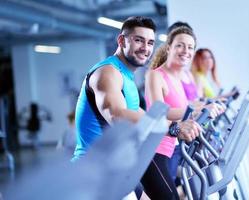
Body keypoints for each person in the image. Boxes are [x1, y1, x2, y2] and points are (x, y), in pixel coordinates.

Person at [73, 16, 202, 199]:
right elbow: (117, 115)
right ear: (121, 40)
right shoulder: (108, 72)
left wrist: (183, 122)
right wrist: (173, 128)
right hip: (96, 175)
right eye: (138, 40)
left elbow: (144, 115)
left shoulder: (127, 76)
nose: (145, 48)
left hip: (117, 170)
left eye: (150, 42)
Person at [143, 26, 225, 200]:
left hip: (171, 148)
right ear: (169, 47)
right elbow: (158, 112)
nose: (185, 51)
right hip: (154, 150)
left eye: (190, 47)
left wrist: (205, 107)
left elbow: (184, 108)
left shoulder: (178, 76)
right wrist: (197, 109)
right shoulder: (155, 75)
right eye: (180, 45)